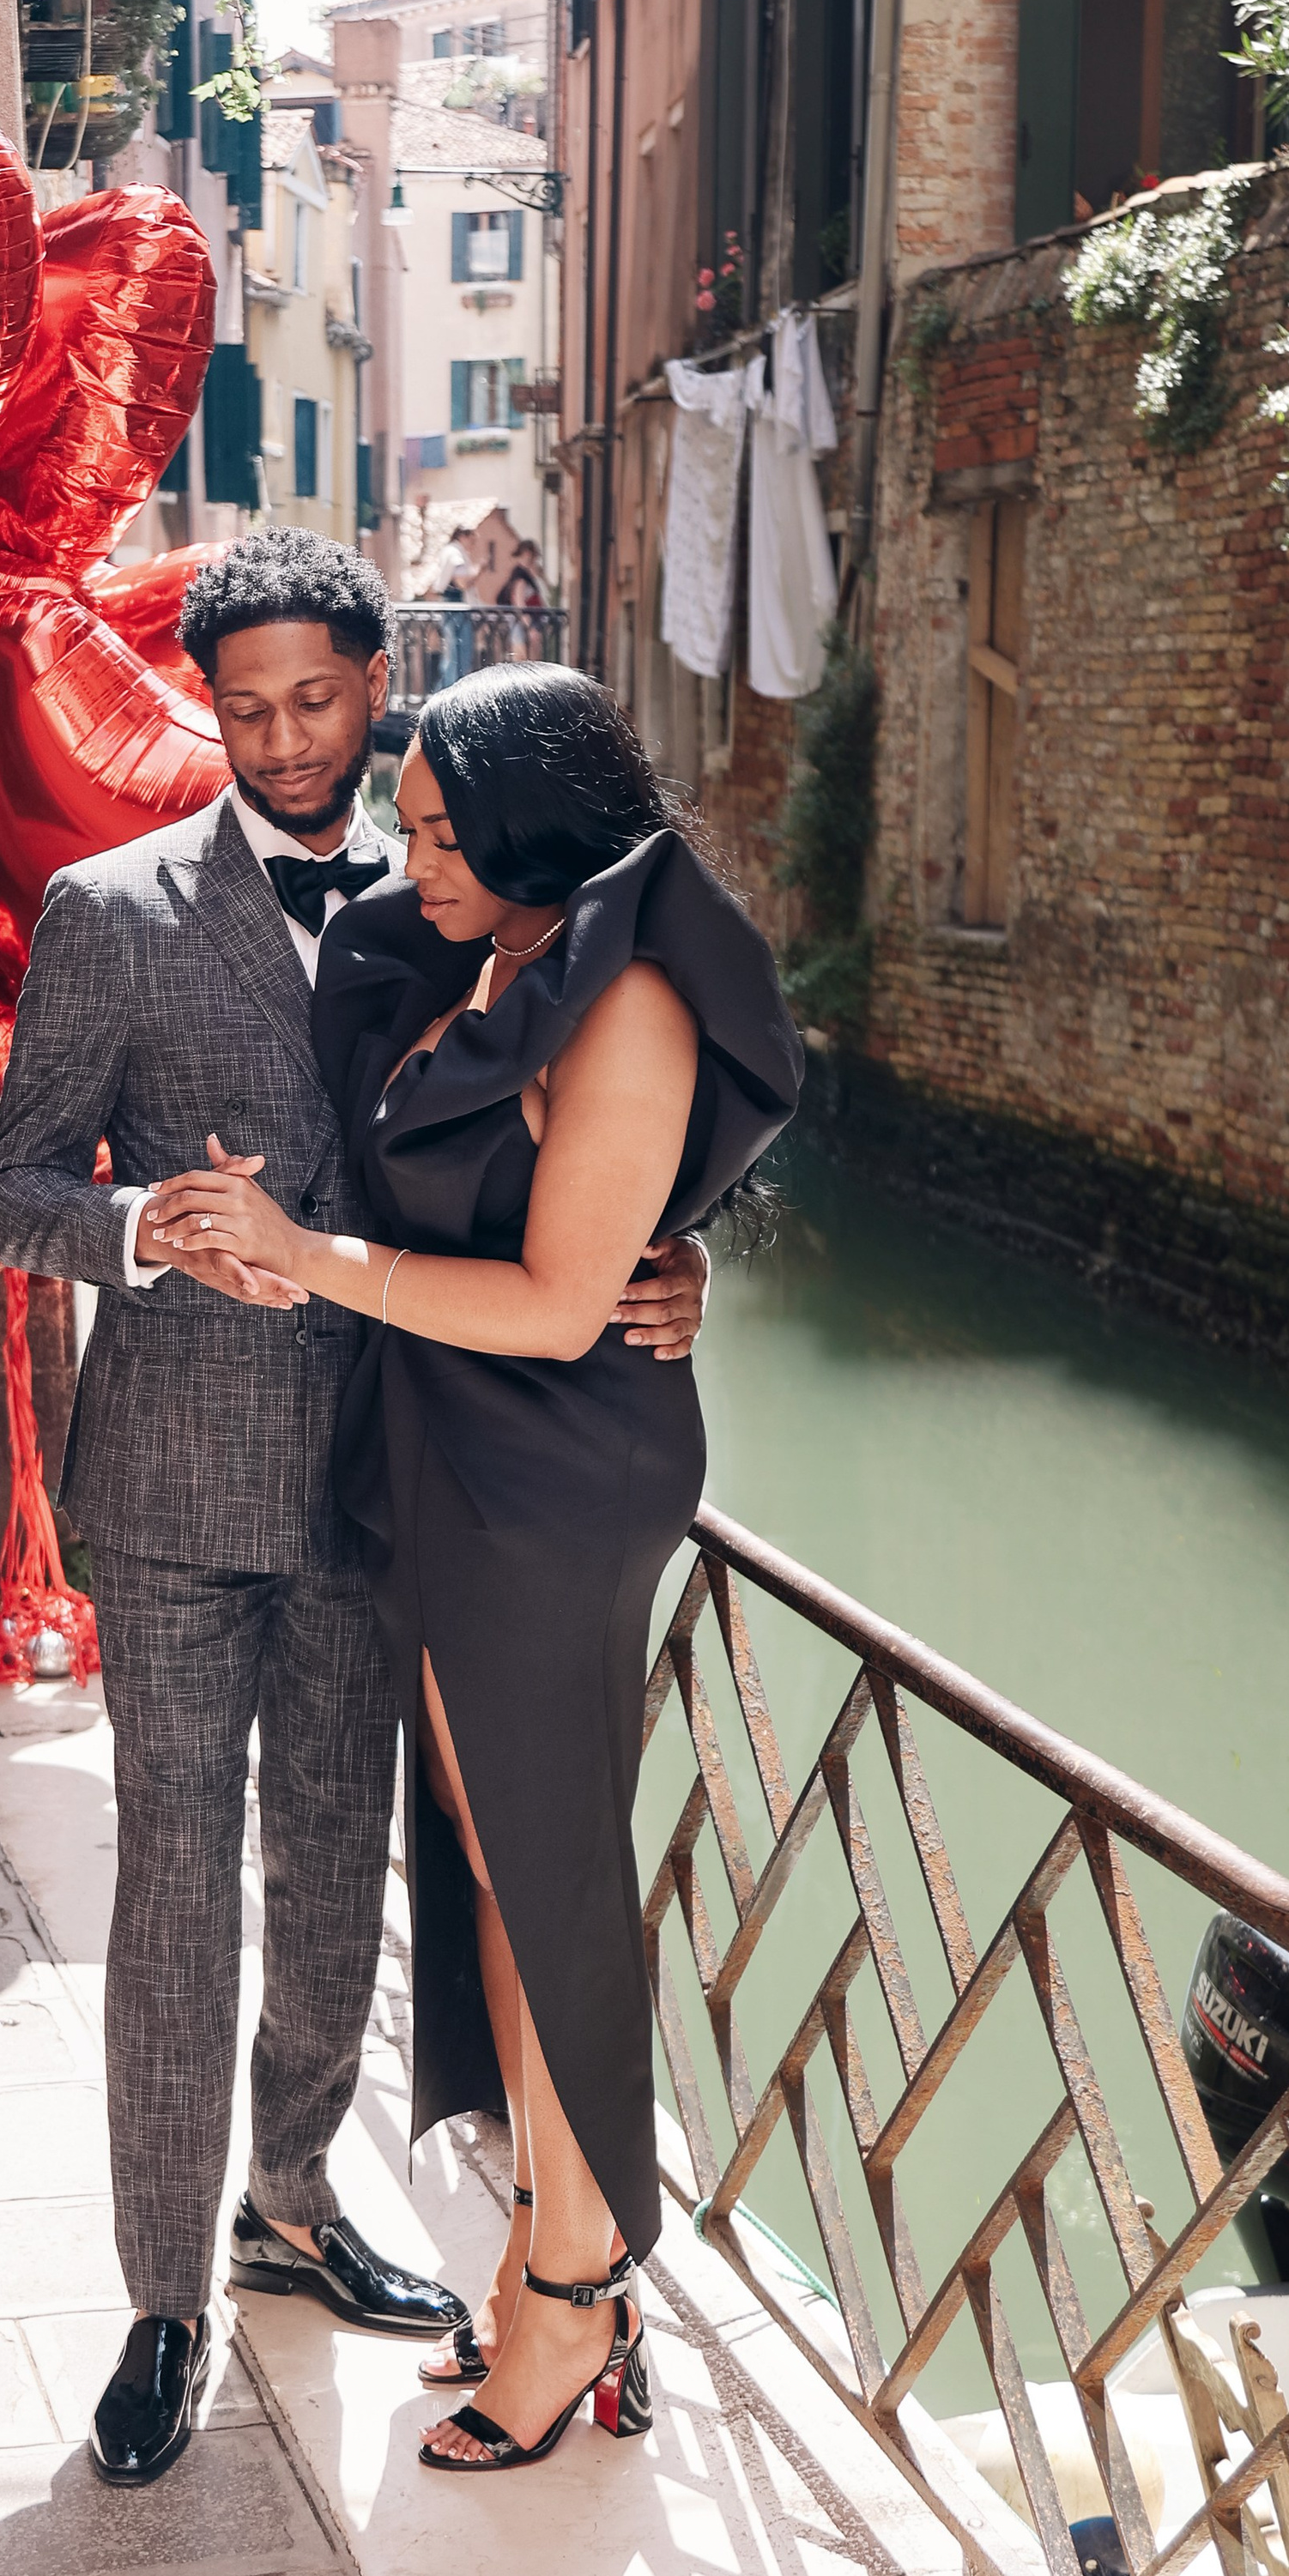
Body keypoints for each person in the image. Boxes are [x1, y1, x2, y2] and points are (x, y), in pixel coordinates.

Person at [0, 538, 711, 2486]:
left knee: (332, 1873)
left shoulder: (469, 895)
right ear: (204, 710)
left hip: (398, 1472)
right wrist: (148, 1229)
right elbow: (8, 1192)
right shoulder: (108, 910)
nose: (285, 739)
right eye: (245, 709)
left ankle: (291, 2205)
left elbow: (571, 1157)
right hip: (172, 1477)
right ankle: (162, 2300)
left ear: (379, 687)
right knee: (174, 1878)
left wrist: (668, 1266)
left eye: (316, 700)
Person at [146, 666, 802, 2475]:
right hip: (446, 1453)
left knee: (550, 1873)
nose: (406, 856)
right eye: (411, 826)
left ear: (534, 830)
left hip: (554, 1476)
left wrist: (307, 1253)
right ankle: (542, 2246)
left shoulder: (626, 1001)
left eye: (440, 832)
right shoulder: (490, 960)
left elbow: (560, 1301)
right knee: (495, 1862)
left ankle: (580, 2290)